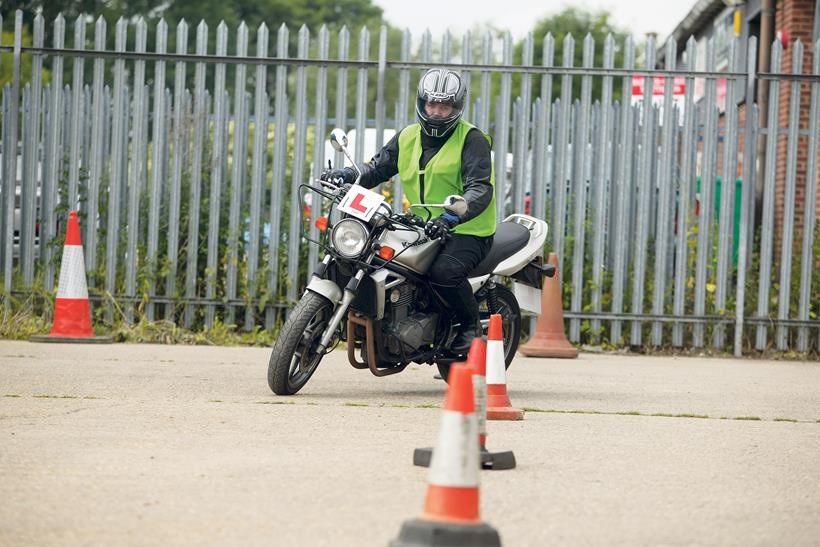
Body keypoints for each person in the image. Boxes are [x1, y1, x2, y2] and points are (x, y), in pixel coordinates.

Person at [321, 68, 496, 353]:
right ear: (422, 102)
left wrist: (451, 217)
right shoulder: (408, 136)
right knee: (376, 259)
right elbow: (377, 169)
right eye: (432, 104)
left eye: (445, 106)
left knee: (443, 273)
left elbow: (479, 188)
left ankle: (469, 327)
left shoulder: (472, 139)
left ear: (457, 107)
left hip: (466, 229)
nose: (437, 112)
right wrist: (347, 175)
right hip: (422, 227)